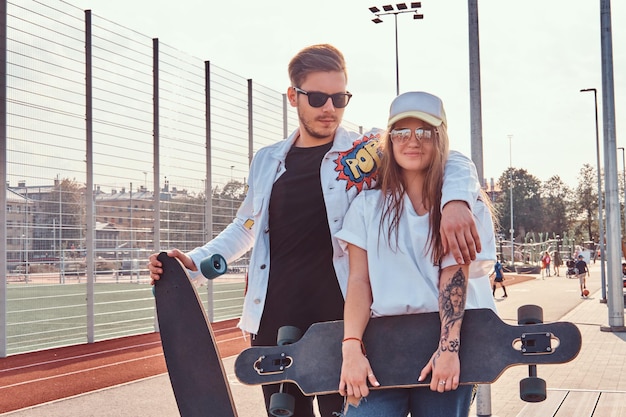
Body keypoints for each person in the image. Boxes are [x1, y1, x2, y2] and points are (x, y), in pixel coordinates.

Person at [148, 45, 484, 417]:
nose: (330, 109)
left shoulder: (366, 148)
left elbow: (446, 153)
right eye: (319, 97)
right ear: (293, 96)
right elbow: (246, 227)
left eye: (339, 98)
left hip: (339, 319)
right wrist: (193, 262)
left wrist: (455, 201)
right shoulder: (267, 159)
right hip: (275, 316)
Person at [336, 91, 497, 417]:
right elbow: (359, 281)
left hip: (442, 341)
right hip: (383, 346)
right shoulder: (366, 207)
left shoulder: (461, 207)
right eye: (401, 132)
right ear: (390, 140)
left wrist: (448, 349)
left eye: (425, 132)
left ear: (440, 139)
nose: (413, 141)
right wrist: (351, 346)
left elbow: (454, 276)